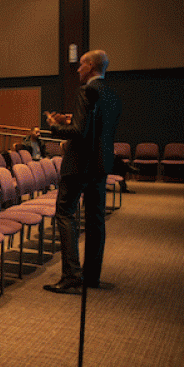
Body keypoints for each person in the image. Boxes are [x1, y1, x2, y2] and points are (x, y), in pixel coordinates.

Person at [43, 50, 121, 294]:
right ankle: (91, 276)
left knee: (65, 213)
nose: (77, 70)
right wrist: (72, 120)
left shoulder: (86, 91)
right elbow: (95, 129)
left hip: (78, 165)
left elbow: (79, 132)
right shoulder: (112, 95)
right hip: (100, 165)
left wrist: (55, 128)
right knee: (96, 219)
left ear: (89, 66)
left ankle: (71, 275)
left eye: (80, 65)